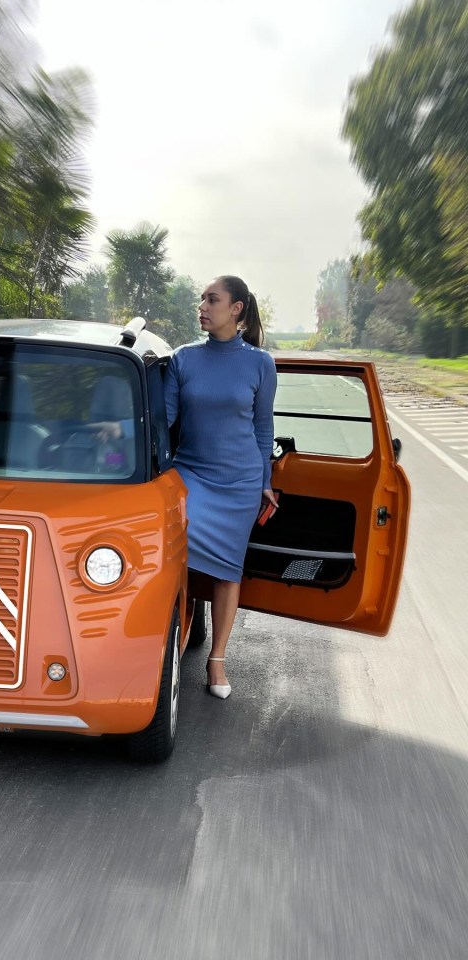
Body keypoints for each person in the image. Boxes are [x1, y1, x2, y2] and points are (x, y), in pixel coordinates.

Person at [164, 275, 278, 699]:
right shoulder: (183, 359)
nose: (203, 306)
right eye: (202, 299)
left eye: (213, 299)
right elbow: (164, 419)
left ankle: (217, 661)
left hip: (240, 483)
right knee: (174, 554)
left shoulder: (260, 364)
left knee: (229, 571)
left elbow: (263, 428)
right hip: (191, 473)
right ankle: (172, 636)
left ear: (237, 309)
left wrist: (265, 482)